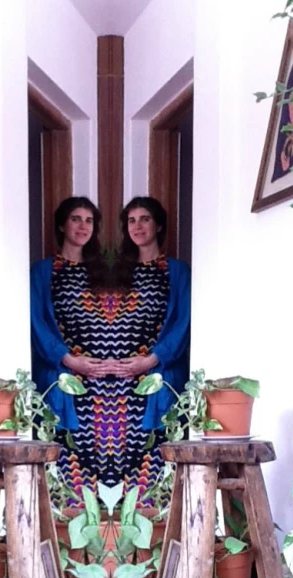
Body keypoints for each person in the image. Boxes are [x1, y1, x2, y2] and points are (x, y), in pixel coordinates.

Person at [108, 196, 191, 500]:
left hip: (162, 373)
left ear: (158, 225)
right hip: (117, 380)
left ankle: (158, 521)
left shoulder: (177, 271)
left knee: (159, 451)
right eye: (131, 220)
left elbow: (183, 323)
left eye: (145, 219)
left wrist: (152, 360)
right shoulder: (118, 272)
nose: (138, 226)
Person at [30, 196, 113, 497]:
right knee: (61, 449)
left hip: (105, 381)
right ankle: (61, 520)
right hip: (59, 373)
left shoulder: (103, 272)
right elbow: (37, 322)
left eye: (89, 220)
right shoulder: (42, 272)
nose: (83, 226)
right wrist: (67, 360)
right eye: (76, 219)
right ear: (62, 225)